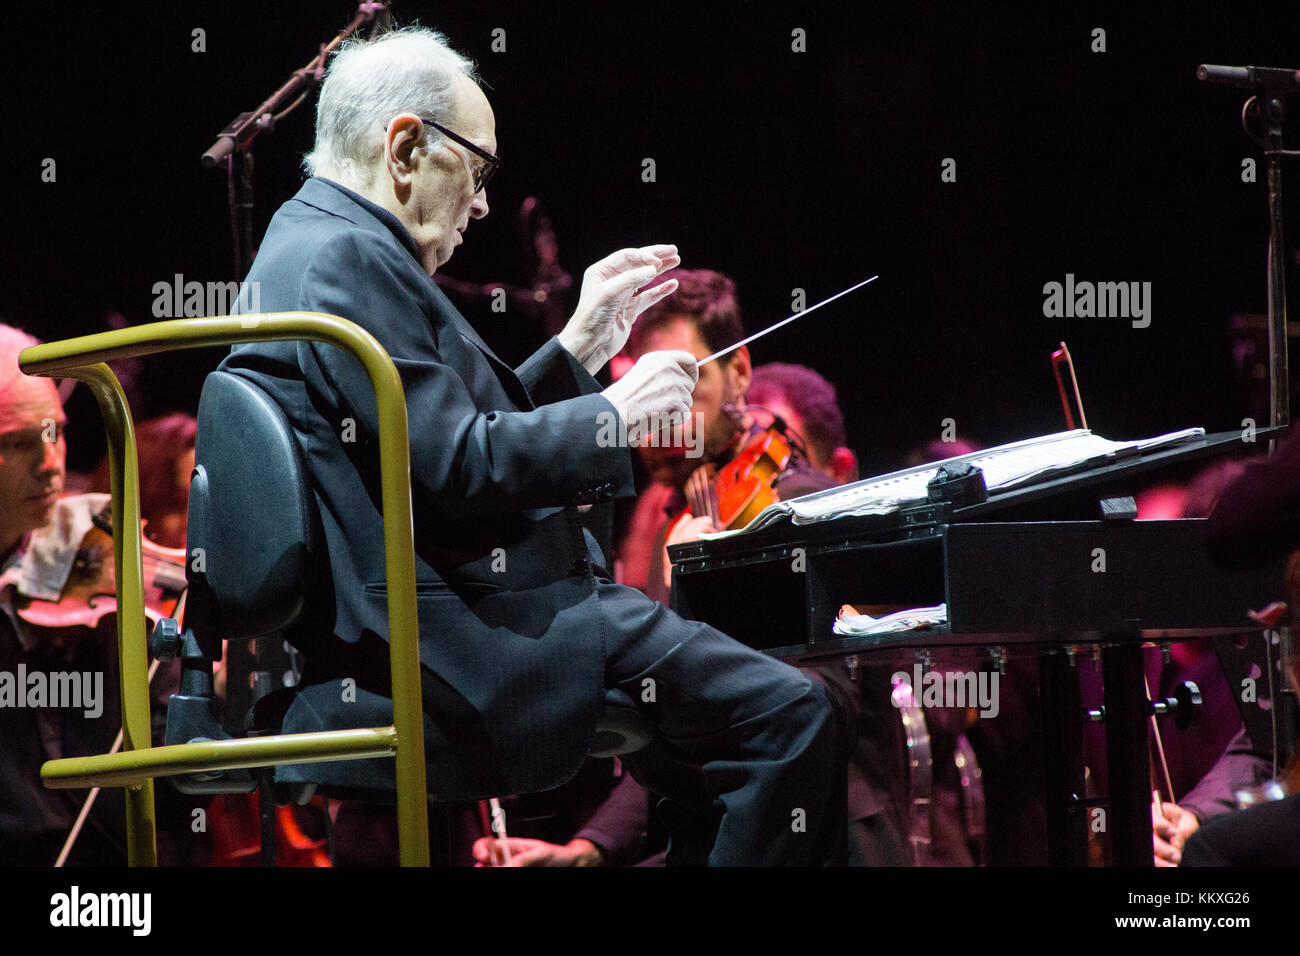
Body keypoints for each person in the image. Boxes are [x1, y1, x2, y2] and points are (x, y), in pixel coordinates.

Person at [217, 26, 844, 865]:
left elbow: (441, 431)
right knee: (793, 718)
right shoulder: (349, 258)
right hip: (471, 628)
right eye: (476, 170)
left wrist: (580, 345)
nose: (481, 204)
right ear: (405, 147)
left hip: (444, 610)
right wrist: (614, 416)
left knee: (712, 755)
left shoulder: (313, 242)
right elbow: (458, 467)